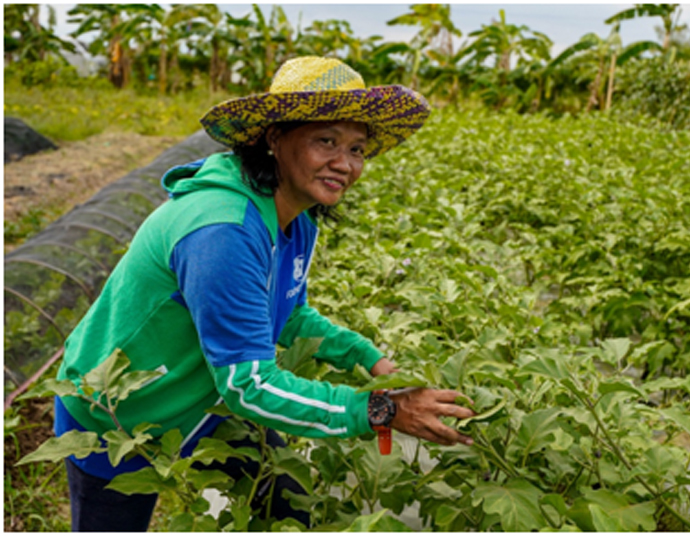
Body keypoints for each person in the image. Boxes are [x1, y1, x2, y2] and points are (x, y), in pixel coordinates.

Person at [54, 55, 476, 532]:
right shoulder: (223, 231)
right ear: (275, 137)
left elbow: (289, 313)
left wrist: (372, 361)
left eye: (357, 148)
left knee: (286, 500)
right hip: (120, 415)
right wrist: (383, 410)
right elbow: (249, 387)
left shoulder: (295, 217)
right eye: (326, 140)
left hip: (205, 401)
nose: (345, 163)